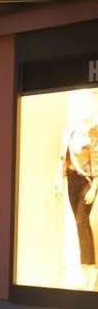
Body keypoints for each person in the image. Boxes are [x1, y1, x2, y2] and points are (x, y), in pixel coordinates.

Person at [62, 117, 96, 288]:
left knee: (81, 221)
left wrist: (94, 187)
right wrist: (58, 181)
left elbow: (97, 162)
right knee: (82, 224)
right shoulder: (70, 134)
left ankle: (88, 271)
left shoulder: (92, 136)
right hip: (71, 180)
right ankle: (88, 269)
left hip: (87, 182)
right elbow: (62, 159)